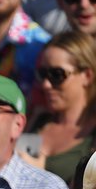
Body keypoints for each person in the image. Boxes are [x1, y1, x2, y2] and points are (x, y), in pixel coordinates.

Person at [26, 31, 96, 180]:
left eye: (57, 74)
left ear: (87, 76)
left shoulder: (92, 135)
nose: (46, 84)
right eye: (42, 74)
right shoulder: (38, 120)